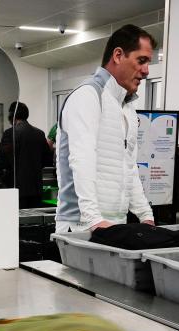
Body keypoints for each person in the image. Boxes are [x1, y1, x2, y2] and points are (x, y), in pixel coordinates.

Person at [55, 24, 156, 232]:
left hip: (114, 225)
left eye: (148, 63)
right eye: (141, 60)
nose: (146, 71)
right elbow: (81, 160)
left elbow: (129, 167)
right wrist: (93, 220)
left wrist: (145, 215)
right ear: (118, 55)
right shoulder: (88, 95)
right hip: (81, 227)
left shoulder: (126, 107)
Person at [0, 101, 53, 208]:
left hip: (16, 189)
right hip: (36, 189)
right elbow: (47, 159)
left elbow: (1, 159)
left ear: (11, 115)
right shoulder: (39, 133)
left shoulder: (10, 133)